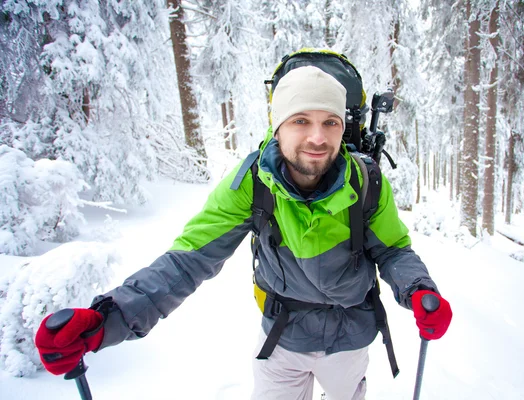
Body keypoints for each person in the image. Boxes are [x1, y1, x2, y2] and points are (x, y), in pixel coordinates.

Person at [35, 65, 452, 400]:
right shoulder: (251, 183)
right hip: (281, 336)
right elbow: (188, 260)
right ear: (277, 126)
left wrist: (417, 288)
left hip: (350, 339)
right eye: (300, 120)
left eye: (330, 122)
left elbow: (394, 250)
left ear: (344, 128)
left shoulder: (367, 182)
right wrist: (111, 318)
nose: (317, 137)